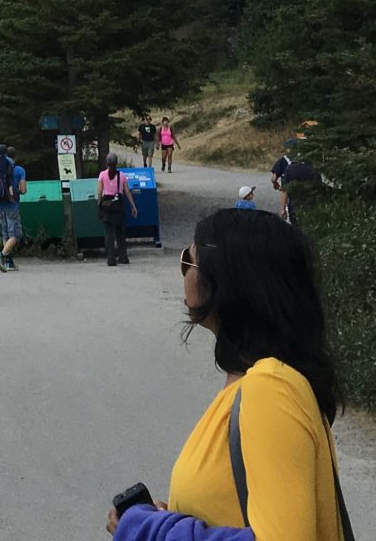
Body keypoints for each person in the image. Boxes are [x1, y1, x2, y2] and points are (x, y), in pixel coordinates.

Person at [110, 207, 349, 540]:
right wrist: (174, 519)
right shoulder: (256, 383)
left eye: (186, 261)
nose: (182, 273)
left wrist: (146, 528)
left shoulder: (270, 390)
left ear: (228, 281)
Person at [0, 143, 27, 274]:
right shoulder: (19, 170)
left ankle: (8, 263)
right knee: (14, 235)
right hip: (12, 205)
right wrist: (17, 192)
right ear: (14, 157)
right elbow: (23, 190)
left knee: (5, 234)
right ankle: (2, 255)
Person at [98, 156, 137, 266]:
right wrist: (133, 206)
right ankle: (123, 257)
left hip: (107, 205)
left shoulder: (102, 175)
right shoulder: (122, 176)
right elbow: (127, 192)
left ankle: (111, 259)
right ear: (117, 163)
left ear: (107, 163)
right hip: (119, 205)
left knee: (109, 233)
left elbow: (100, 191)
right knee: (120, 233)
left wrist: (99, 204)